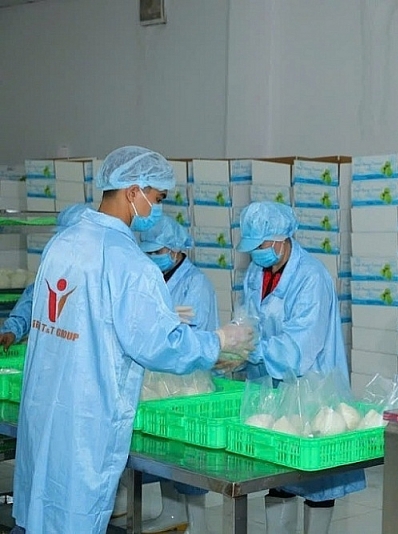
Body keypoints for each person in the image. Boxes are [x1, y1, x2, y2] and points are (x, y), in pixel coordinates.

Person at [11, 146, 253, 534]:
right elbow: (159, 344)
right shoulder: (128, 262)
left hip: (45, 409)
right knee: (74, 515)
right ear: (133, 191)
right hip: (88, 417)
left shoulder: (63, 244)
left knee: (42, 507)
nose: (156, 209)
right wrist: (217, 341)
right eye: (156, 199)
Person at [237, 201, 366, 534]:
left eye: (262, 246)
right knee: (278, 471)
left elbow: (300, 347)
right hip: (273, 381)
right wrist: (235, 341)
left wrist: (250, 352)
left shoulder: (311, 277)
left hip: (313, 381)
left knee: (316, 477)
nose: (257, 254)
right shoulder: (256, 272)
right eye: (252, 247)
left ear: (282, 239)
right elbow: (250, 319)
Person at [136, 216, 220, 534]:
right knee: (166, 453)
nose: (151, 258)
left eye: (156, 252)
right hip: (161, 376)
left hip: (190, 381)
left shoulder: (196, 284)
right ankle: (172, 514)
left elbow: (193, 337)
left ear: (174, 251)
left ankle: (199, 525)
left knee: (189, 459)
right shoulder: (155, 277)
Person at [0, 203, 92, 350]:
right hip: (53, 354)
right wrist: (12, 330)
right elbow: (33, 300)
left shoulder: (101, 275)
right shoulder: (55, 271)